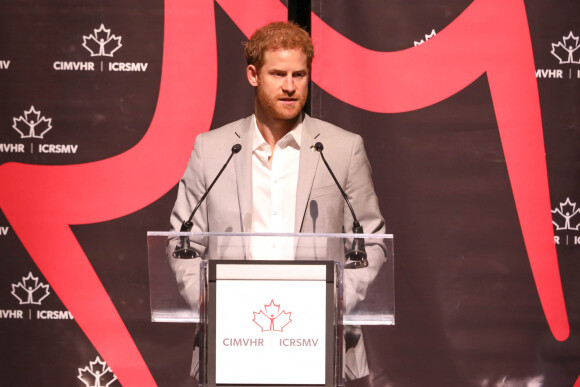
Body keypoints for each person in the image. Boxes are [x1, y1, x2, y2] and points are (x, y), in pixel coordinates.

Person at [168, 21, 386, 381]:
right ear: (253, 75)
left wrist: (337, 300)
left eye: (299, 75)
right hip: (232, 341)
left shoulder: (343, 149)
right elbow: (182, 241)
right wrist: (210, 302)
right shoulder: (212, 150)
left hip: (318, 343)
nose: (290, 86)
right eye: (278, 74)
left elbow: (372, 241)